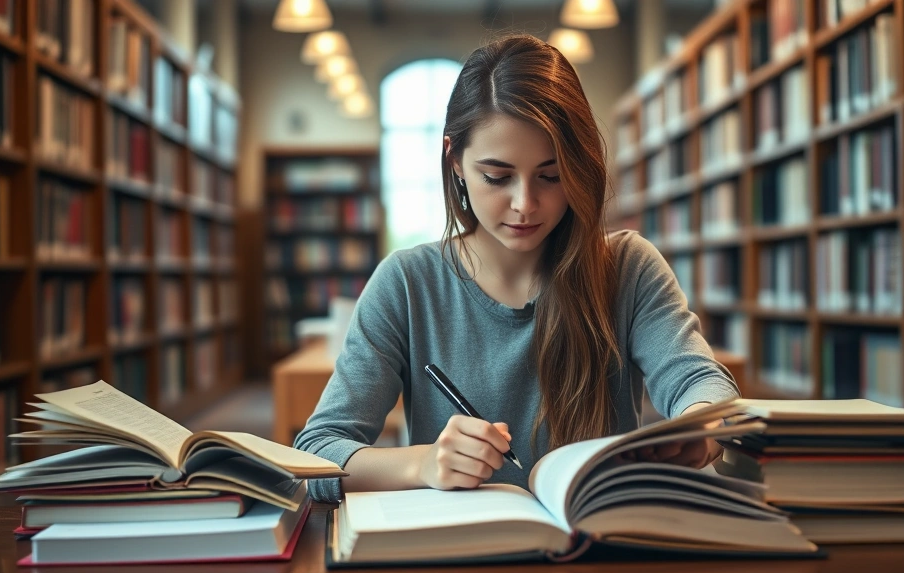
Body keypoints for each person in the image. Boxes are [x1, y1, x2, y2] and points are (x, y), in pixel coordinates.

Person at [294, 34, 739, 502]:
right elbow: (318, 454)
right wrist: (422, 463)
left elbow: (701, 382)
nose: (525, 204)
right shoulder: (406, 284)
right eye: (498, 177)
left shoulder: (628, 268)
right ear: (455, 162)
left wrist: (703, 422)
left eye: (551, 176)